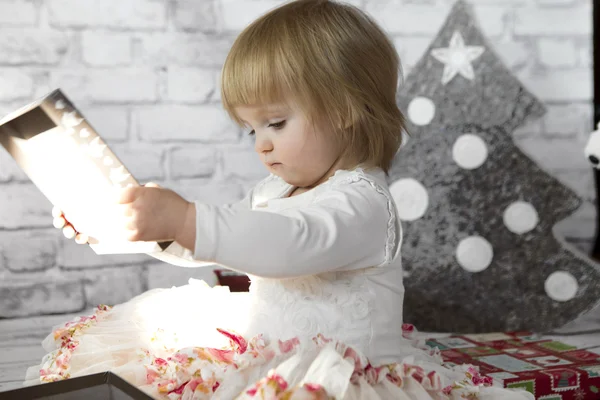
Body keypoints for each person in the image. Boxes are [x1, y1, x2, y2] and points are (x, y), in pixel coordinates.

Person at [24, 1, 533, 399]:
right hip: (270, 352)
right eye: (250, 128)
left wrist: (183, 217)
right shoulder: (276, 190)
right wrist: (148, 226)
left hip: (344, 376)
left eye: (276, 122)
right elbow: (234, 242)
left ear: (346, 110)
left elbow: (289, 242)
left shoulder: (364, 204)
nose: (260, 143)